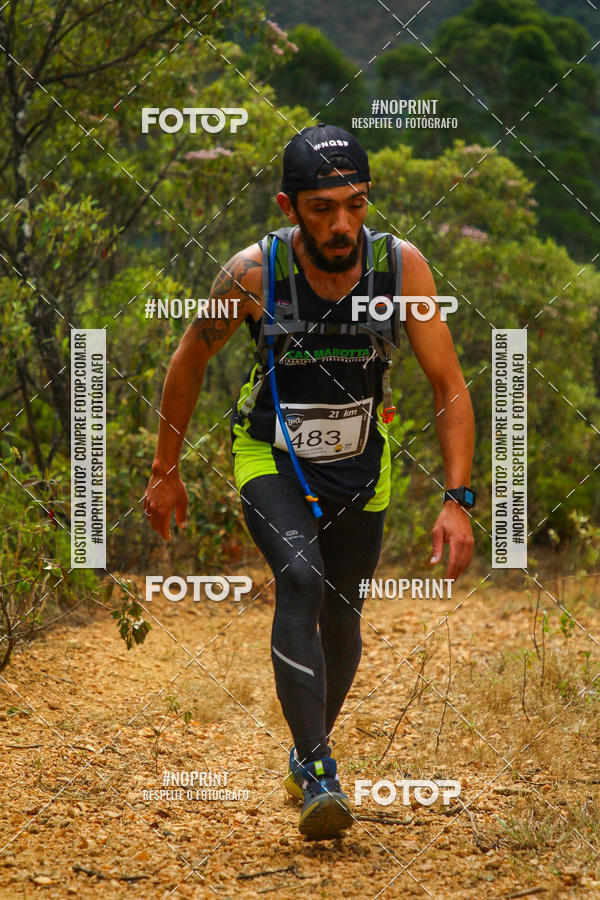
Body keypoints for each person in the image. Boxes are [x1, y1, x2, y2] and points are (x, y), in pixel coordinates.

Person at [144, 123, 475, 840]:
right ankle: (322, 771)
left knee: (342, 609)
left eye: (355, 205)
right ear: (288, 206)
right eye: (322, 208)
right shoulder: (251, 275)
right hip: (269, 454)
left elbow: (448, 385)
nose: (341, 224)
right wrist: (165, 470)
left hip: (362, 463)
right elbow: (188, 362)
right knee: (299, 575)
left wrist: (458, 499)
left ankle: (303, 749)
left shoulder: (400, 269)